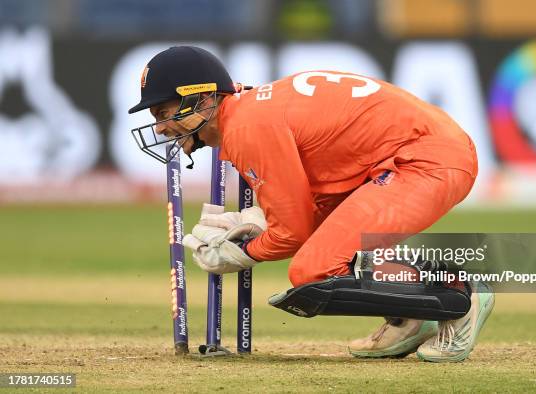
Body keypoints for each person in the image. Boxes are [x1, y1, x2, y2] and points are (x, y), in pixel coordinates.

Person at [128, 46, 494, 362]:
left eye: (163, 113)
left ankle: (459, 294)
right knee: (324, 254)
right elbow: (306, 207)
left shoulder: (245, 128)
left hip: (424, 160)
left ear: (203, 99)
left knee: (313, 271)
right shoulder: (248, 112)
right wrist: (262, 220)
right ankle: (409, 318)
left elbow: (293, 232)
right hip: (410, 153)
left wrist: (242, 252)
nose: (160, 128)